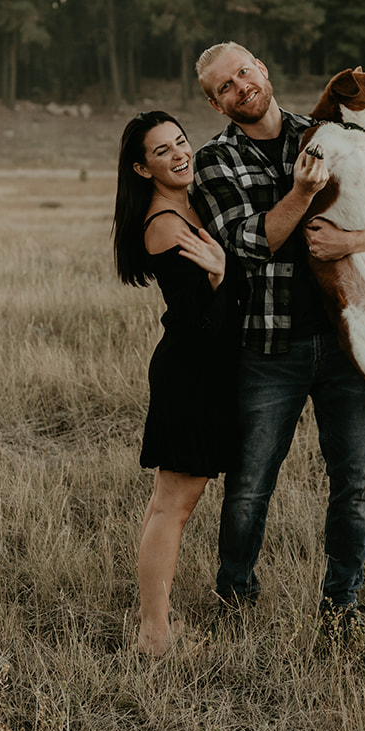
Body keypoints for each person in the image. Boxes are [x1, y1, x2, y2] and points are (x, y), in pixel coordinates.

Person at [189, 42, 365, 633]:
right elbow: (251, 245)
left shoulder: (330, 129)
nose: (240, 87)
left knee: (356, 484)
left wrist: (351, 243)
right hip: (268, 348)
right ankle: (236, 602)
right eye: (224, 86)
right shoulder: (214, 162)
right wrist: (305, 194)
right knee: (251, 486)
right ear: (215, 103)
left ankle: (341, 609)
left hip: (348, 346)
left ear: (262, 66)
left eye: (243, 72)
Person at [113, 110, 240, 656]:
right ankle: (155, 635)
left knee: (167, 503)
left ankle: (154, 622)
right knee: (174, 507)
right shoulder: (165, 223)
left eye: (181, 141)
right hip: (190, 373)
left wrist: (220, 268)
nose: (179, 153)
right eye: (162, 151)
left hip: (202, 370)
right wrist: (221, 272)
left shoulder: (187, 204)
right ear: (143, 168)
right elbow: (196, 319)